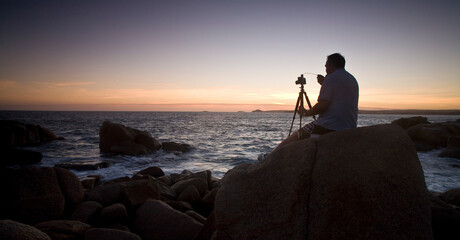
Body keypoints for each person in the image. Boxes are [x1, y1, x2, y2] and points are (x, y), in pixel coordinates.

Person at [259, 53, 359, 160]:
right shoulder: (352, 79)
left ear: (330, 65)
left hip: (330, 126)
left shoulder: (331, 78)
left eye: (326, 66)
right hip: (349, 126)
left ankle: (269, 157)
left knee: (297, 134)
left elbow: (322, 106)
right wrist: (324, 83)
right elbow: (340, 95)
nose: (325, 69)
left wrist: (306, 113)